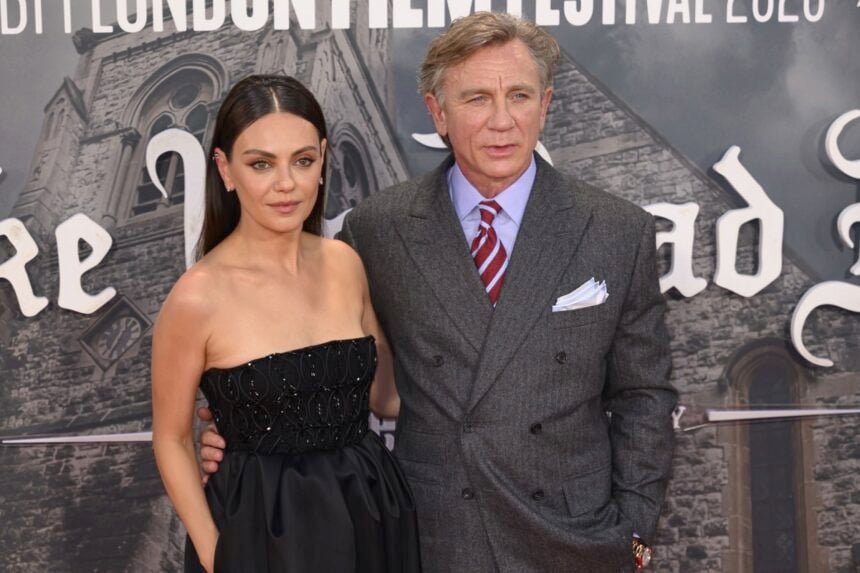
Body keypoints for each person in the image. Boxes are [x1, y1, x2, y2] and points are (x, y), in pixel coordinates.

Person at [200, 12, 676, 572]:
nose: (502, 122)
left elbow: (644, 395)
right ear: (437, 112)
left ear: (545, 105)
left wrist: (633, 534)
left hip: (573, 538)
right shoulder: (378, 230)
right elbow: (316, 362)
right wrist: (245, 430)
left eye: (519, 96)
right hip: (432, 536)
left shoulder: (616, 230)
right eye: (477, 99)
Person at [151, 74, 421, 573]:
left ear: (323, 159)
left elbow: (387, 397)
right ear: (225, 169)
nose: (286, 184)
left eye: (303, 160)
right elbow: (172, 438)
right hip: (262, 535)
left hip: (371, 513)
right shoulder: (196, 298)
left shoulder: (345, 263)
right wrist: (216, 553)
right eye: (261, 164)